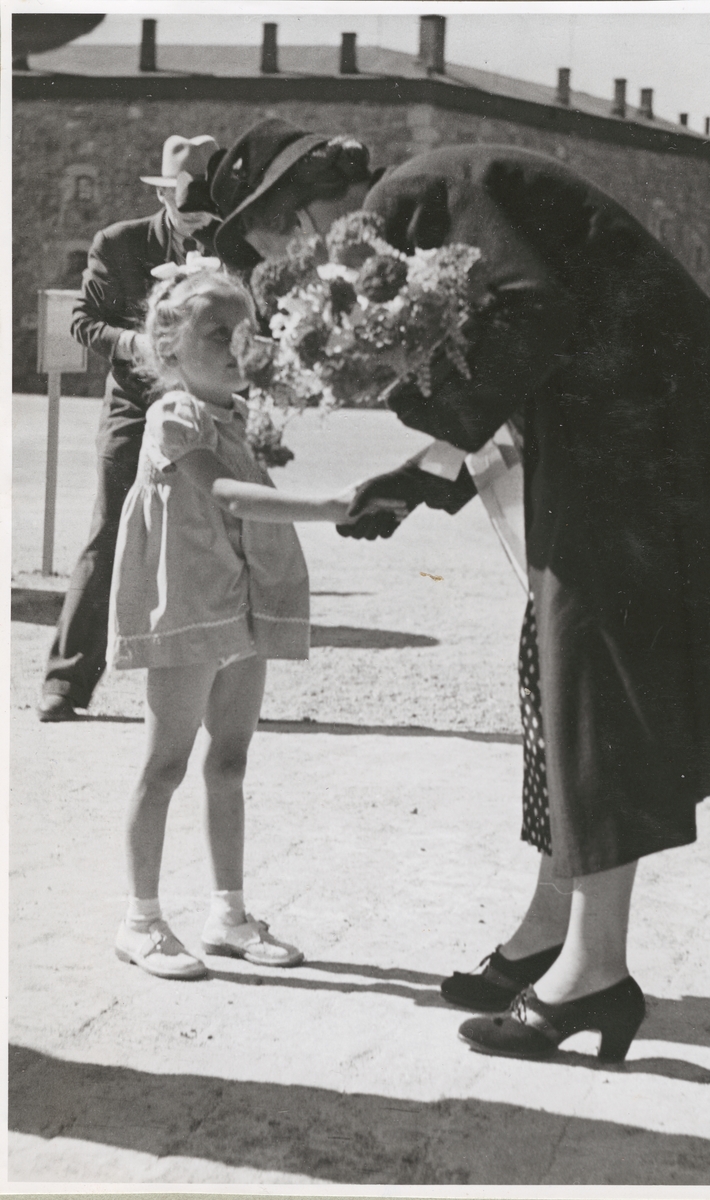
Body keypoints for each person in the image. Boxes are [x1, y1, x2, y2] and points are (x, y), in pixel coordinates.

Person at [210, 122, 710, 1059]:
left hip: (641, 421)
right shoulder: (418, 206)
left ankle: (594, 973)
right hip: (624, 412)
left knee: (591, 674)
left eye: (280, 240)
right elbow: (528, 348)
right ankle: (549, 934)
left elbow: (534, 318)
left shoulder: (409, 200)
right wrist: (423, 472)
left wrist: (425, 426)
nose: (298, 264)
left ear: (309, 203)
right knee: (556, 664)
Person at [109, 256, 405, 980]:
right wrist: (330, 507)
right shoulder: (172, 414)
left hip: (240, 604)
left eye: (246, 332)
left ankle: (227, 914)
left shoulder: (238, 413)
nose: (238, 346)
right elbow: (229, 497)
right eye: (217, 331)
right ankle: (140, 920)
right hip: (189, 605)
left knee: (230, 760)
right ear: (169, 344)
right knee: (166, 762)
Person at [38, 134, 222, 722]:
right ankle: (64, 683)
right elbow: (85, 321)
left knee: (214, 535)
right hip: (133, 405)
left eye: (206, 214)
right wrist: (134, 342)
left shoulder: (229, 245)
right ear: (166, 196)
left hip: (208, 407)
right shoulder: (117, 243)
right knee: (108, 530)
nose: (197, 224)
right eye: (188, 211)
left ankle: (213, 690)